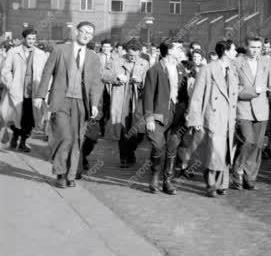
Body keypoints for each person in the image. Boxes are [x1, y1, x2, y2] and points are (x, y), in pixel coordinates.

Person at [33, 22, 103, 188]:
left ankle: (70, 174)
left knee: (77, 139)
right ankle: (60, 173)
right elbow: (47, 71)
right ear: (76, 32)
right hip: (61, 100)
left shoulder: (93, 56)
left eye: (90, 33)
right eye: (84, 31)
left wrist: (94, 103)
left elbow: (95, 82)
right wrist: (40, 95)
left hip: (81, 102)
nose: (86, 35)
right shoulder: (60, 50)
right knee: (65, 137)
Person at [186, 40, 239, 197]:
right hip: (213, 117)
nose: (236, 53)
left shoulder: (233, 69)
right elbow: (197, 96)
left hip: (229, 118)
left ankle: (221, 183)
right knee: (214, 152)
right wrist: (195, 119)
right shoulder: (207, 70)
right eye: (234, 50)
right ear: (226, 52)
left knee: (225, 152)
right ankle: (211, 184)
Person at [232, 35, 271, 191]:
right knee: (248, 140)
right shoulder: (236, 63)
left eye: (258, 48)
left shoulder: (266, 62)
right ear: (246, 46)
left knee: (258, 145)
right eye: (252, 47)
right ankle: (238, 169)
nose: (255, 51)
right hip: (242, 109)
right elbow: (233, 89)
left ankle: (250, 176)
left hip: (261, 110)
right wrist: (253, 91)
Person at [142, 40, 190, 194]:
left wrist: (188, 112)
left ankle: (167, 181)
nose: (180, 49)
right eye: (177, 48)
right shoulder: (154, 70)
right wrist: (149, 118)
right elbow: (147, 96)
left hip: (177, 116)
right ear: (169, 51)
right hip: (158, 115)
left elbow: (185, 96)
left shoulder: (181, 68)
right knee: (157, 145)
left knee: (172, 147)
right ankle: (155, 176)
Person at [101, 38, 149, 168]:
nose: (132, 57)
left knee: (138, 131)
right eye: (129, 54)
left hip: (137, 99)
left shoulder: (144, 63)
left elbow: (149, 83)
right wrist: (116, 78)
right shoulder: (116, 61)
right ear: (126, 52)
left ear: (139, 52)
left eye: (135, 55)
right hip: (121, 99)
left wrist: (140, 81)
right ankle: (124, 157)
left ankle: (131, 151)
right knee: (123, 128)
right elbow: (104, 75)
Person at [0, 27, 48, 152]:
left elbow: (45, 73)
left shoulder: (40, 54)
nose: (31, 41)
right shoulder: (13, 52)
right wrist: (11, 85)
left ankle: (23, 142)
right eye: (29, 38)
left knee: (29, 118)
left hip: (33, 92)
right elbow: (5, 71)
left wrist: (42, 90)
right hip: (16, 91)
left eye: (34, 39)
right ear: (24, 38)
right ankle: (15, 136)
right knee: (16, 116)